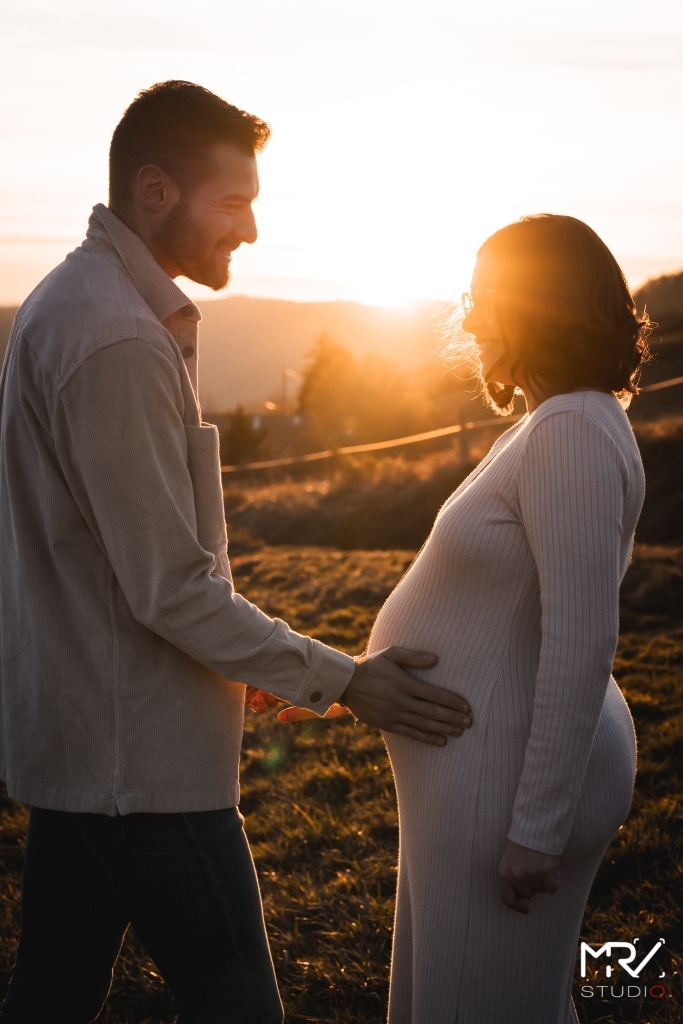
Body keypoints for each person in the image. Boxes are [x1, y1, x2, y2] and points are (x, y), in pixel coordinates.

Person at [0, 81, 472, 1024]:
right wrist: (343, 679)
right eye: (233, 202)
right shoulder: (117, 339)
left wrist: (237, 659)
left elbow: (109, 555)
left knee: (50, 995)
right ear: (155, 189)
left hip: (84, 742)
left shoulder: (74, 301)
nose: (250, 230)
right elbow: (169, 589)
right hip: (140, 765)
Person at [282, 214, 649, 1022]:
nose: (471, 317)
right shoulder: (549, 424)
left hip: (505, 781)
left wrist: (536, 829)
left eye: (486, 297)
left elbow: (581, 637)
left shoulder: (571, 432)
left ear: (540, 308)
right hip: (481, 770)